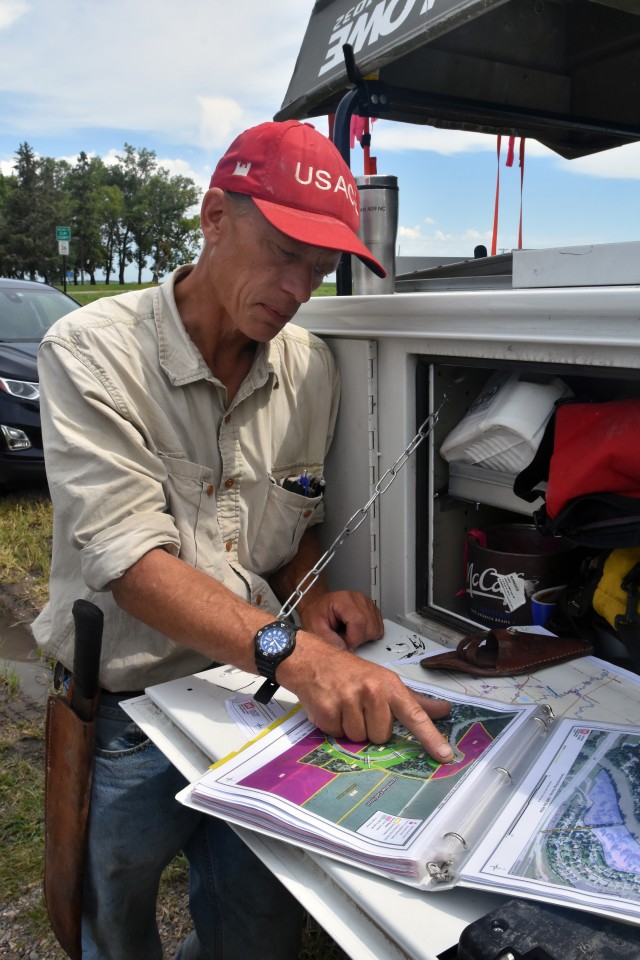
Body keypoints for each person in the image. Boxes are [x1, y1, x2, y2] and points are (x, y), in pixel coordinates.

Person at [34, 119, 454, 960]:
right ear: (214, 216)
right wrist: (304, 657)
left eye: (320, 268)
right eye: (283, 250)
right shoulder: (89, 352)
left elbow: (297, 516)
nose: (299, 287)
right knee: (109, 920)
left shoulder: (312, 368)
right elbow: (131, 566)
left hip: (260, 709)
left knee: (258, 926)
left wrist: (314, 587)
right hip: (129, 707)